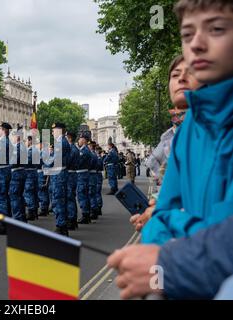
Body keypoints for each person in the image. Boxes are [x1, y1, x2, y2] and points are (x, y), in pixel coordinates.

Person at [110, 0, 233, 298]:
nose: (197, 45)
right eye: (187, 34)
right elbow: (161, 214)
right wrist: (165, 268)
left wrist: (167, 264)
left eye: (216, 29)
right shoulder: (189, 129)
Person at [131, 54, 200, 232]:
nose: (181, 78)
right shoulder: (174, 136)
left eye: (191, 72)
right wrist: (158, 208)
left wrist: (162, 214)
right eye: (175, 75)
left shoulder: (213, 131)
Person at [44, 122, 70, 236]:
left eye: (54, 130)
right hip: (58, 173)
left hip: (59, 174)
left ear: (59, 130)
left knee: (58, 200)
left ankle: (61, 226)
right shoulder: (60, 142)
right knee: (57, 200)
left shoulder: (61, 142)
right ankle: (61, 226)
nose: (52, 132)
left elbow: (53, 160)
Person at [9, 128, 27, 222]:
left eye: (13, 136)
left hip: (16, 173)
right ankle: (22, 219)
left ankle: (18, 219)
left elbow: (13, 162)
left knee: (15, 197)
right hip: (20, 172)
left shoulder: (18, 147)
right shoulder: (21, 146)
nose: (12, 138)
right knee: (19, 197)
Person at [24, 135, 41, 221]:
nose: (25, 142)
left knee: (29, 193)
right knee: (34, 193)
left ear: (30, 141)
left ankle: (31, 212)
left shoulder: (31, 150)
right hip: (34, 172)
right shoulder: (36, 150)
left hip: (29, 173)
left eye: (26, 141)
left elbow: (27, 161)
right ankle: (34, 211)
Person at [76, 133, 92, 224]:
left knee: (82, 195)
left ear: (84, 140)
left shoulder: (84, 151)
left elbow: (78, 162)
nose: (78, 141)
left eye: (80, 139)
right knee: (83, 195)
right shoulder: (83, 150)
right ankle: (86, 215)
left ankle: (85, 215)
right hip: (82, 174)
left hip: (82, 174)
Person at [65, 131, 80, 230]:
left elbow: (67, 161)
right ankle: (72, 219)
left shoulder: (72, 149)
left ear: (69, 138)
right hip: (71, 174)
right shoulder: (73, 148)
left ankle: (71, 219)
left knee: (70, 197)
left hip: (70, 174)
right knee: (70, 197)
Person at [37, 141, 50, 217]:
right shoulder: (42, 152)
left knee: (43, 191)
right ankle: (44, 208)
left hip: (43, 172)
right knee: (42, 191)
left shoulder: (44, 153)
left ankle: (44, 208)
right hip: (41, 172)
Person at [88, 141, 99, 220]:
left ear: (91, 146)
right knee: (93, 194)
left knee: (91, 194)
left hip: (91, 175)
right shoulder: (94, 154)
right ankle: (94, 210)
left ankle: (93, 211)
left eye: (89, 145)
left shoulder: (92, 154)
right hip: (93, 175)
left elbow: (90, 164)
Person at [95, 146, 105, 216]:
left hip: (97, 175)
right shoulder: (98, 157)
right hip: (97, 175)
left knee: (97, 192)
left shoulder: (98, 158)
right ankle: (98, 207)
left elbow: (99, 167)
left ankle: (98, 208)